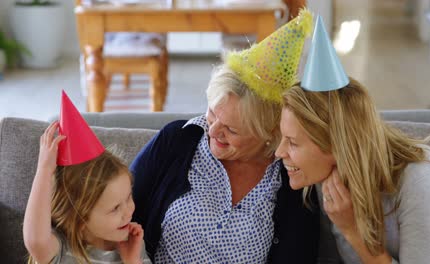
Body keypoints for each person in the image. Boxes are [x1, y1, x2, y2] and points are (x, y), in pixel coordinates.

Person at [130, 10, 319, 263]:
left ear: (268, 133)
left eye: (231, 129)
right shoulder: (177, 140)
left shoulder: (291, 177)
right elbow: (119, 213)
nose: (213, 130)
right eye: (212, 113)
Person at [275, 16, 430, 263]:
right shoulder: (329, 177)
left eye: (292, 142)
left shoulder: (420, 181)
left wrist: (352, 231)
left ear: (336, 143)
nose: (279, 152)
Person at [23, 91, 150, 264]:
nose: (129, 211)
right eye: (115, 208)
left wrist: (133, 261)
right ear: (80, 219)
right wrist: (44, 170)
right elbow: (35, 241)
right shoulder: (60, 249)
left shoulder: (133, 244)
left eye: (128, 197)